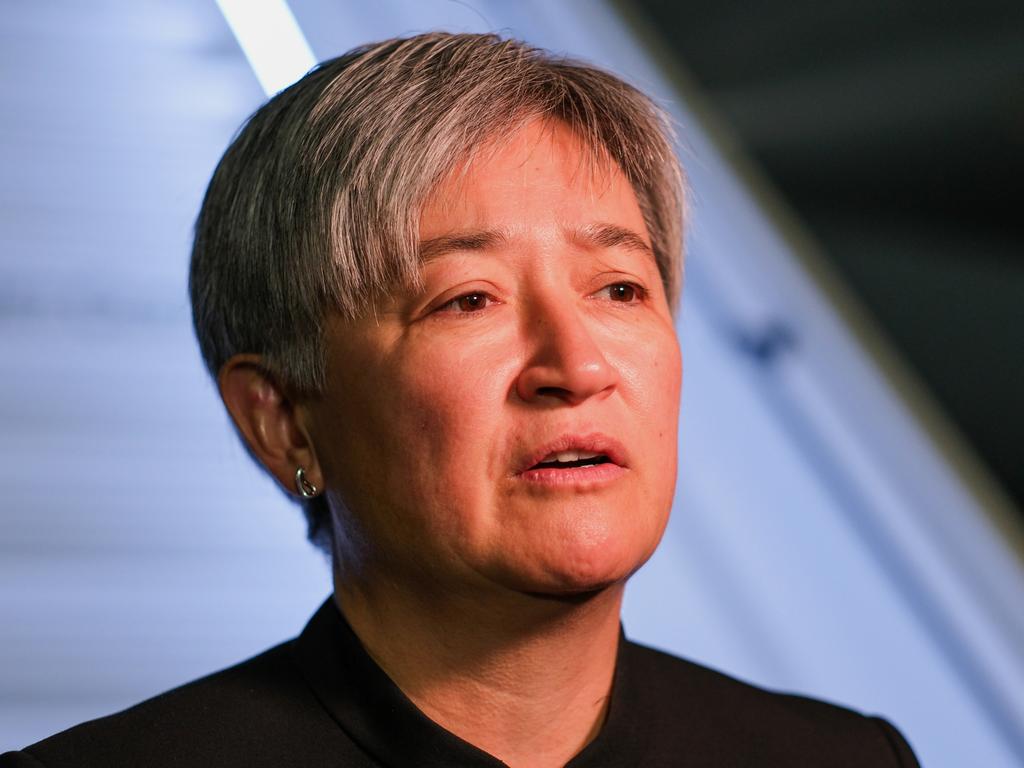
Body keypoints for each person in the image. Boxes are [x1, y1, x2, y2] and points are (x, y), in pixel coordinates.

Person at [0, 33, 920, 767]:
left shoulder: (840, 758)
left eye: (619, 289)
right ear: (281, 419)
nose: (577, 363)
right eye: (467, 299)